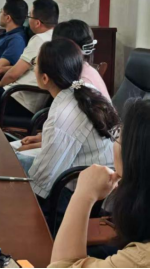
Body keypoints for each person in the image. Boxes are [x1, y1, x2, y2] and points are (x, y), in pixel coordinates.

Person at [49, 99, 150, 268]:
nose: (114, 143)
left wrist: (83, 195)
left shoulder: (141, 259)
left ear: (136, 158)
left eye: (119, 137)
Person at [18, 39, 118, 201]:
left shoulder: (63, 113)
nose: (33, 67)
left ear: (45, 78)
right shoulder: (86, 89)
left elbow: (42, 179)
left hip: (82, 192)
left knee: (9, 166)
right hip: (103, 182)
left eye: (35, 63)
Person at [0, 0, 59, 118]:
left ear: (37, 23)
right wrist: (6, 70)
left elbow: (13, 74)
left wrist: (0, 85)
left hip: (16, 100)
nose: (27, 20)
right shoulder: (58, 39)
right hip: (24, 99)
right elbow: (29, 68)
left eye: (29, 16)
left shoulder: (39, 40)